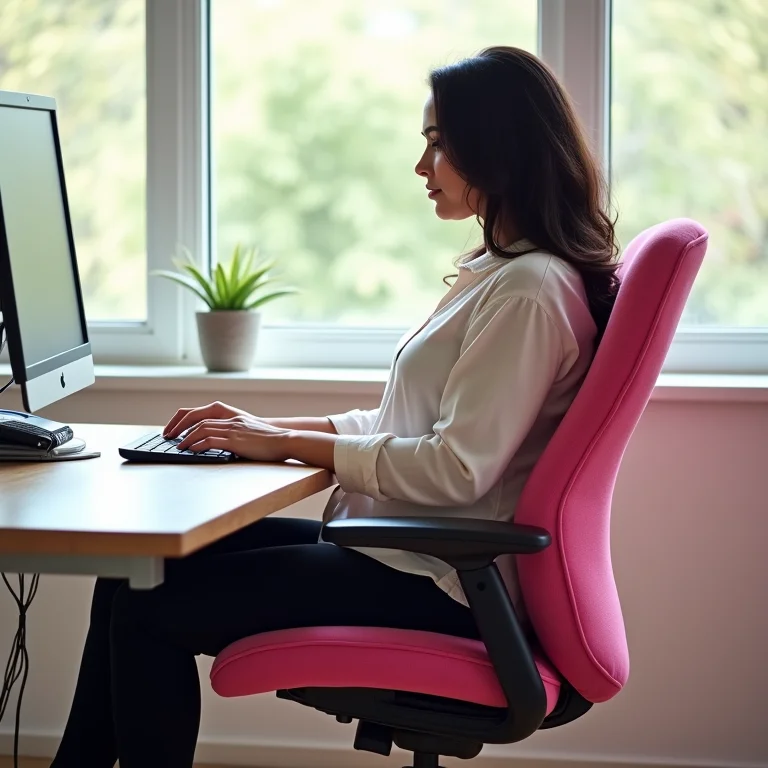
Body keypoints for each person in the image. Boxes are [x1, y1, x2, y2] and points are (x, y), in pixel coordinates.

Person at [51, 46, 620, 768]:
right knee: (139, 568)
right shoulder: (504, 275)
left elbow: (454, 469)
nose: (421, 166)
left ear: (498, 149)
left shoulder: (530, 291)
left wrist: (295, 447)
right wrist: (271, 430)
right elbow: (409, 425)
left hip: (440, 581)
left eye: (438, 144)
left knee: (148, 610)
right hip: (411, 555)